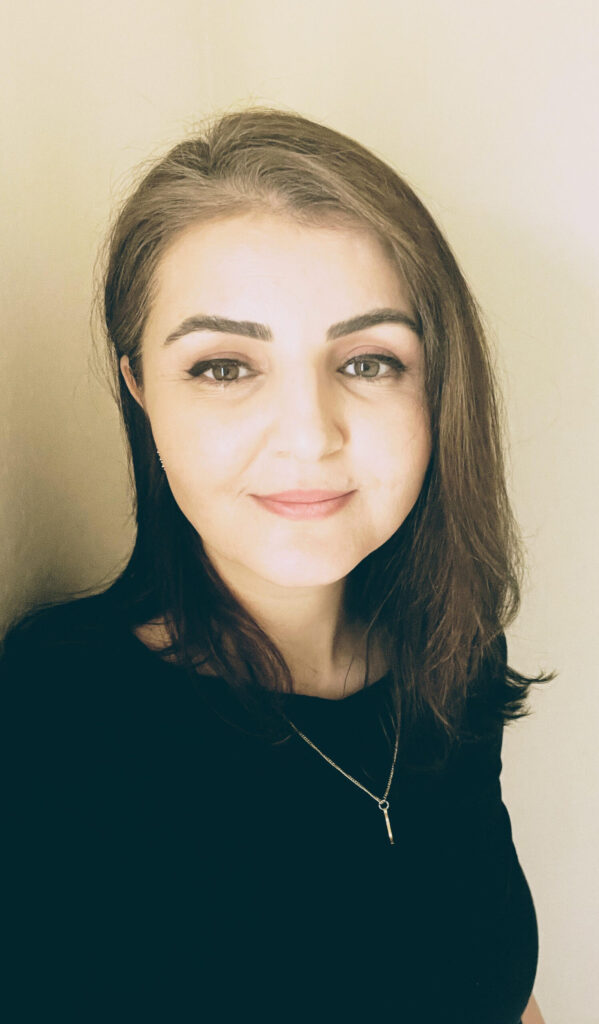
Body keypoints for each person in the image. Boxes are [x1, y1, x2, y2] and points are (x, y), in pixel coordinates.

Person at [1, 107, 553, 1023]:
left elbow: (490, 984)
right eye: (223, 367)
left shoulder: (453, 661)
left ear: (436, 386)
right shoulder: (59, 719)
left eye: (370, 361)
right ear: (138, 386)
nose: (308, 437)